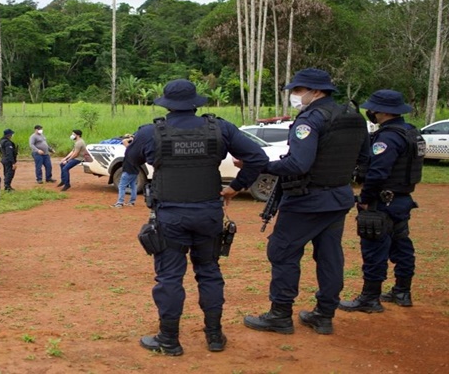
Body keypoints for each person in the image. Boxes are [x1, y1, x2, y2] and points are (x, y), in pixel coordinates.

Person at [125, 79, 269, 355]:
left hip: (171, 217)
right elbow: (257, 157)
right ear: (195, 103)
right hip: (209, 214)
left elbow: (131, 163)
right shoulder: (220, 128)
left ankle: (169, 340)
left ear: (166, 104)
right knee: (210, 273)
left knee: (169, 278)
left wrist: (138, 146)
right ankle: (214, 336)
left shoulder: (150, 132)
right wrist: (237, 187)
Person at [243, 68, 368, 336]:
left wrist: (263, 165)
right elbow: (365, 159)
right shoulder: (353, 117)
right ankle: (324, 315)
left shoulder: (309, 120)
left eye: (299, 91)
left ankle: (280, 314)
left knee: (283, 251)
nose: (295, 96)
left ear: (317, 92)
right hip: (338, 197)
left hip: (306, 200)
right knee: (330, 256)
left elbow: (298, 163)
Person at [339, 90, 424, 313]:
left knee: (374, 249)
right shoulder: (411, 132)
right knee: (401, 245)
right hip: (402, 199)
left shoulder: (387, 137)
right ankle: (402, 291)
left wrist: (366, 199)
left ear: (384, 111)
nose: (371, 112)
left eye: (374, 109)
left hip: (382, 201)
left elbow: (377, 173)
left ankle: (370, 298)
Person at [112, 133, 138, 208]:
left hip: (128, 170)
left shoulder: (130, 148)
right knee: (133, 186)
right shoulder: (137, 150)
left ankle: (120, 203)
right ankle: (132, 202)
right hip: (135, 170)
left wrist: (130, 138)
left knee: (122, 186)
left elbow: (124, 141)